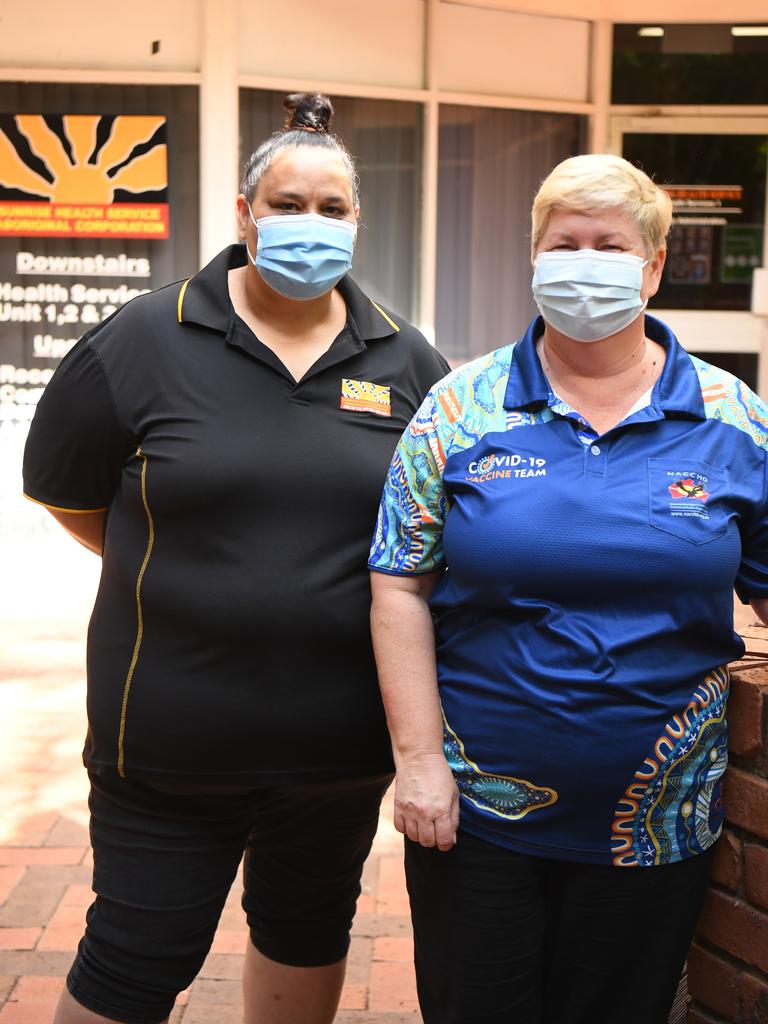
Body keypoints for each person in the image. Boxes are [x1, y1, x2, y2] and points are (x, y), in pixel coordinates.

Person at [22, 92, 449, 1024]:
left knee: (306, 930)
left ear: (357, 223)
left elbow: (430, 528)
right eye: (288, 204)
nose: (310, 225)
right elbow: (71, 496)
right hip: (170, 741)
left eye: (332, 209)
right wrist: (188, 556)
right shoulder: (141, 340)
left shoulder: (407, 362)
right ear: (246, 215)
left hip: (337, 746)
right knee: (136, 955)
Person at [368, 153, 768, 1024]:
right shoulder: (457, 410)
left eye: (610, 245)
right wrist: (419, 761)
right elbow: (398, 583)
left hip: (657, 821)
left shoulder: (736, 420)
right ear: (536, 258)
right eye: (564, 243)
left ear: (654, 265)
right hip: (474, 816)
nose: (584, 262)